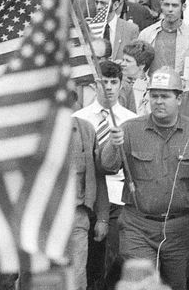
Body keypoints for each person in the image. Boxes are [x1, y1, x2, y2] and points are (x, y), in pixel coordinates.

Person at [100, 68, 189, 290]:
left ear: (179, 98)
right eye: (154, 95)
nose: (158, 101)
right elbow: (108, 166)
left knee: (177, 284)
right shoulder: (129, 129)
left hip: (181, 229)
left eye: (165, 96)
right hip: (138, 226)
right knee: (140, 284)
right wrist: (113, 143)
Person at [72, 59, 137, 290]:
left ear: (121, 85)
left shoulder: (131, 120)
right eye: (103, 81)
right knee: (89, 263)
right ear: (93, 84)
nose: (108, 87)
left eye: (113, 82)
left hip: (118, 197)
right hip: (89, 196)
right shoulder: (80, 119)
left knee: (115, 261)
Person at [68, 116, 109, 290]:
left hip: (76, 216)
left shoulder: (85, 129)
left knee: (77, 279)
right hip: (40, 220)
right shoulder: (29, 129)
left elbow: (98, 176)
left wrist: (102, 218)